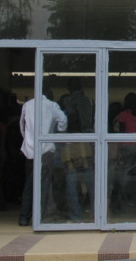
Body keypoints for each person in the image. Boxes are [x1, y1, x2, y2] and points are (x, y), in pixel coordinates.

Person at [19, 87, 68, 226]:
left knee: (29, 184)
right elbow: (63, 121)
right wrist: (59, 131)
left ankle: (24, 217)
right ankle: (40, 216)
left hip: (29, 151)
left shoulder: (27, 105)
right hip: (46, 150)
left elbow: (22, 126)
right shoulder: (52, 105)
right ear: (49, 94)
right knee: (44, 184)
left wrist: (27, 140)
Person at [61, 78, 94, 222]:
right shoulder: (90, 101)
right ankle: (96, 212)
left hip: (70, 144)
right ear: (81, 88)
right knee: (90, 180)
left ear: (68, 88)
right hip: (87, 142)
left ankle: (76, 215)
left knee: (71, 180)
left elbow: (62, 125)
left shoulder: (65, 101)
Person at [114, 92, 136, 217]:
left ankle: (120, 207)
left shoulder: (123, 115)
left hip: (126, 148)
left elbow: (122, 132)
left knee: (124, 178)